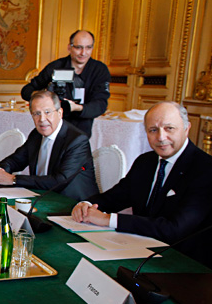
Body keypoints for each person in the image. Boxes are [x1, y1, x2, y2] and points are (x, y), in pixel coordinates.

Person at [72, 101, 212, 267]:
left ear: (186, 128)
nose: (161, 137)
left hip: (183, 263)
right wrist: (87, 204)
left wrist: (109, 220)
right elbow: (117, 196)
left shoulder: (205, 168)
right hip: (138, 250)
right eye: (153, 130)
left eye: (169, 128)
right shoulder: (145, 161)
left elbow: (175, 229)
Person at [0, 90, 99, 201]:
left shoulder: (77, 140)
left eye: (47, 112)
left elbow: (60, 181)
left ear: (60, 113)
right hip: (42, 196)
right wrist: (0, 170)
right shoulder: (36, 134)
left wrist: (13, 179)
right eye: (37, 114)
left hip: (73, 204)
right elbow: (16, 160)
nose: (42, 119)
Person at [21, 30, 110, 137]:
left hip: (82, 130)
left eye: (88, 47)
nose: (83, 53)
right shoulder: (56, 66)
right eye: (78, 47)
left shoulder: (100, 70)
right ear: (69, 47)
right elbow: (26, 91)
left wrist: (76, 108)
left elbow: (100, 105)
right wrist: (45, 98)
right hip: (51, 128)